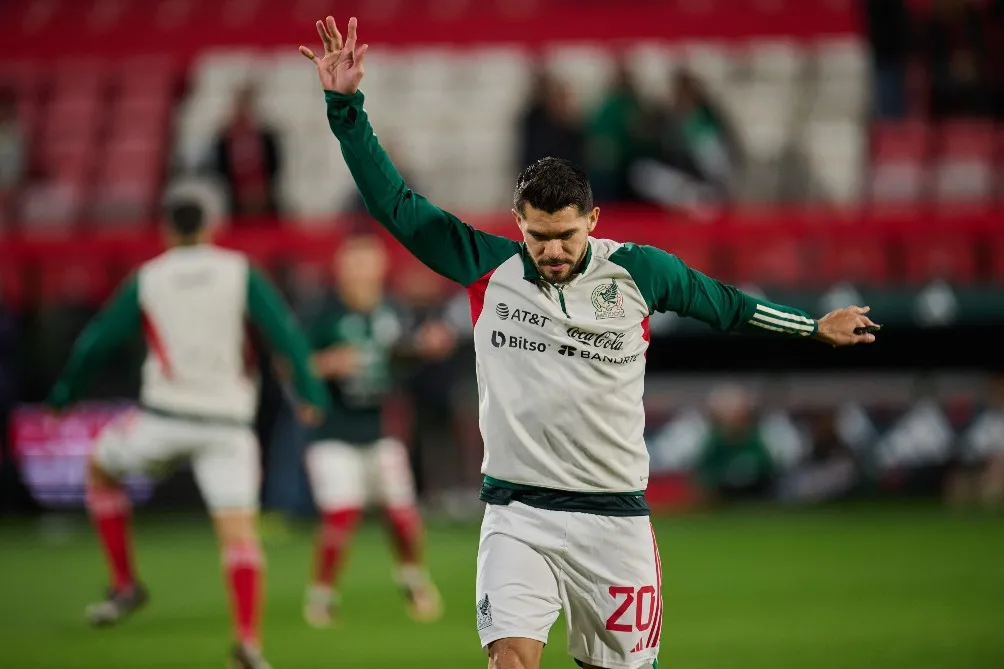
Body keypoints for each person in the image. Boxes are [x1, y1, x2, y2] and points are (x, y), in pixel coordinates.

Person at [298, 17, 879, 669]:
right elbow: (396, 204)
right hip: (518, 512)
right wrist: (345, 107)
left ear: (593, 220)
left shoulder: (640, 271)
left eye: (566, 235)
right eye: (537, 234)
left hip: (615, 519)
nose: (550, 250)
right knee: (511, 660)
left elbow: (728, 306)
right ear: (518, 221)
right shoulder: (487, 269)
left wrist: (812, 325)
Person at [45, 198, 328, 669]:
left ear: (166, 230)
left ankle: (124, 583)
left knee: (100, 468)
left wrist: (64, 393)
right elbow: (285, 334)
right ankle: (247, 642)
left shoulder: (150, 276)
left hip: (163, 419)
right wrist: (311, 391)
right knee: (239, 536)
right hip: (227, 424)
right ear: (213, 227)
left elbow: (97, 340)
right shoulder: (239, 271)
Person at [302, 232, 444, 627]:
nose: (362, 270)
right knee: (341, 515)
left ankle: (414, 581)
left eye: (369, 261)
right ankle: (322, 596)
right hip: (332, 431)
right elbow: (291, 364)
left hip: (380, 428)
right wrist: (325, 364)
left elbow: (399, 358)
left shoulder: (392, 311)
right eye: (355, 261)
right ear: (340, 267)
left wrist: (424, 348)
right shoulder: (321, 312)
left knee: (402, 517)